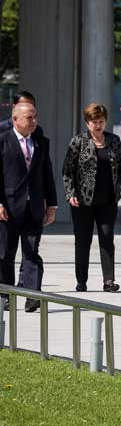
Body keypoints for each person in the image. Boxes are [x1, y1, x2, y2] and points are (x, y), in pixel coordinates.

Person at [62, 103, 121, 293]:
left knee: (107, 239)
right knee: (83, 241)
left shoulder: (114, 141)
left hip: (108, 200)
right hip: (82, 201)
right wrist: (70, 193)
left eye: (101, 121)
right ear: (87, 123)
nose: (98, 125)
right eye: (94, 122)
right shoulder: (78, 142)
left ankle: (109, 280)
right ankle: (81, 280)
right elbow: (67, 171)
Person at [0, 103, 57, 312]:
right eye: (29, 118)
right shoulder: (3, 141)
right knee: (6, 253)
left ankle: (32, 296)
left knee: (32, 251)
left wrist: (51, 204)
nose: (33, 121)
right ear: (15, 120)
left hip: (33, 207)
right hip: (8, 207)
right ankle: (5, 294)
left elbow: (47, 175)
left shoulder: (41, 142)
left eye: (35, 117)